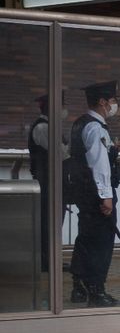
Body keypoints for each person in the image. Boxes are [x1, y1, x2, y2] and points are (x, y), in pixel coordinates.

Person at [64, 81, 120, 307]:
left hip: (83, 191)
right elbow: (99, 165)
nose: (113, 105)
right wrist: (105, 196)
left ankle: (78, 288)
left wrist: (113, 149)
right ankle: (97, 291)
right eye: (112, 101)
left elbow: (78, 157)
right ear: (102, 101)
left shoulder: (80, 124)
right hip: (96, 194)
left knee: (85, 238)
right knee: (101, 242)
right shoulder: (96, 127)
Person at [25, 95, 50, 278]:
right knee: (45, 220)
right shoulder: (43, 127)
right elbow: (60, 152)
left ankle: (48, 258)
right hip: (45, 180)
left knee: (50, 220)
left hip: (48, 180)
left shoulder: (47, 126)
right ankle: (44, 260)